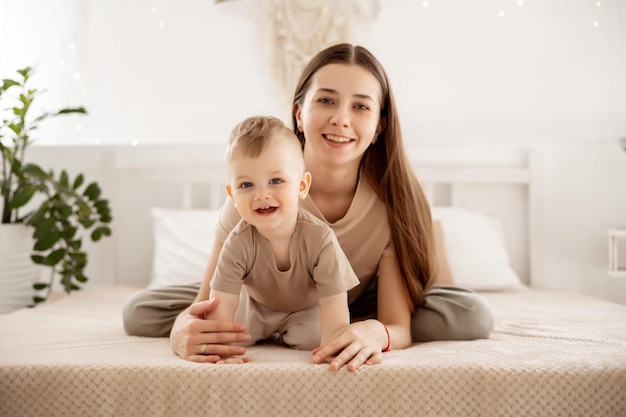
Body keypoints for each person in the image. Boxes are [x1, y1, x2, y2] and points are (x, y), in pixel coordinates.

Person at [123, 43, 494, 371]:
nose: (341, 119)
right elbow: (204, 303)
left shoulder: (390, 202)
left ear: (379, 125)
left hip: (357, 298)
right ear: (299, 113)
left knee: (471, 314)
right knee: (140, 312)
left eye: (360, 106)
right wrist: (182, 330)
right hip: (259, 296)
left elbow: (396, 322)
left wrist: (375, 330)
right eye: (326, 100)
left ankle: (347, 324)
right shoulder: (260, 189)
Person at [203, 115, 359, 362]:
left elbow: (333, 303)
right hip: (255, 307)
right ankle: (265, 332)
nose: (262, 194)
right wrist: (220, 350)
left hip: (304, 310)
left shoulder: (320, 239)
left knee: (318, 337)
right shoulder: (238, 242)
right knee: (230, 333)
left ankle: (287, 333)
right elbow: (221, 302)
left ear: (301, 185)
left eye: (276, 181)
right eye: (247, 185)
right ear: (232, 195)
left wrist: (333, 347)